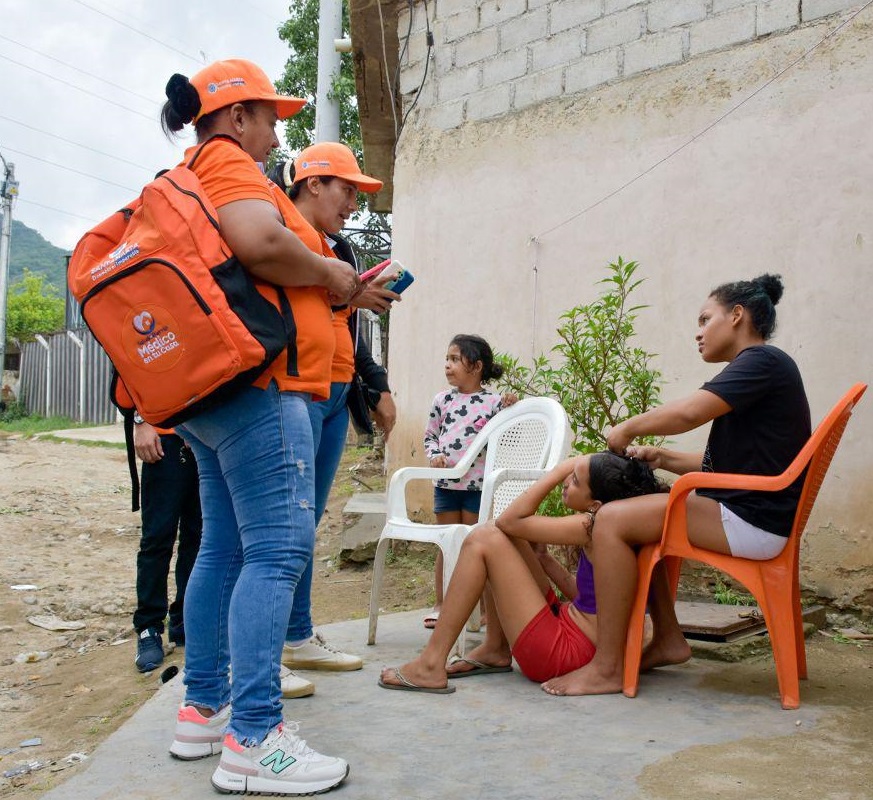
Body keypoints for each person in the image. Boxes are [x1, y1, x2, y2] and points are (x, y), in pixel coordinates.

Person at [159, 59, 358, 795]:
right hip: (262, 387)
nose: (278, 130)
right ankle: (253, 741)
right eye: (270, 116)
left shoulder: (189, 171)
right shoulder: (231, 164)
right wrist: (334, 276)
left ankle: (202, 710)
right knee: (276, 554)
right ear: (235, 116)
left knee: (224, 550)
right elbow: (260, 244)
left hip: (214, 393)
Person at [544, 274, 811, 697]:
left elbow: (689, 413)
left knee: (611, 520)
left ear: (737, 316)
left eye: (706, 319)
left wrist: (626, 429)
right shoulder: (761, 370)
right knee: (640, 515)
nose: (698, 332)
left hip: (751, 521)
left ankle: (608, 667)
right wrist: (664, 457)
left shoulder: (760, 362)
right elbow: (724, 465)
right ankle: (668, 639)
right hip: (750, 511)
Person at [266, 144, 398, 678]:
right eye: (347, 191)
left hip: (332, 393)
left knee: (304, 525)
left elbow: (341, 330)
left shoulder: (332, 247)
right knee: (276, 531)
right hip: (290, 393)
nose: (352, 205)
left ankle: (296, 636)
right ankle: (261, 652)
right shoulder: (275, 233)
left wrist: (376, 384)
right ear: (313, 183)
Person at [377, 452, 664, 693]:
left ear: (595, 505)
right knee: (504, 538)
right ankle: (495, 648)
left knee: (486, 537)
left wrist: (555, 471)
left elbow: (510, 519)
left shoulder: (590, 525)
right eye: (568, 476)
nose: (566, 482)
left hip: (562, 654)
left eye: (575, 480)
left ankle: (430, 664)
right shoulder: (622, 533)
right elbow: (591, 601)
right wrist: (544, 561)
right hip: (569, 633)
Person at [422, 334, 508, 629]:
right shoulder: (441, 400)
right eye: (447, 359)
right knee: (447, 545)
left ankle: (483, 610)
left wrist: (510, 405)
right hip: (446, 486)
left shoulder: (493, 403)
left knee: (475, 545)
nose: (447, 365)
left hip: (477, 488)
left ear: (477, 366)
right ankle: (441, 604)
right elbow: (430, 436)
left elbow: (505, 435)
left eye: (455, 359)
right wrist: (434, 456)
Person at [132, 419, 202, 673]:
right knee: (158, 539)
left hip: (204, 438)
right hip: (163, 440)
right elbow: (129, 379)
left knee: (200, 539)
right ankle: (148, 628)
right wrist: (140, 423)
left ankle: (186, 620)